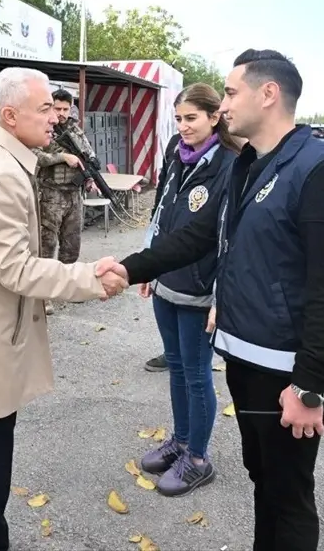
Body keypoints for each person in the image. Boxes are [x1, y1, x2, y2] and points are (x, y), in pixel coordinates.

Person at [99, 49, 324, 551]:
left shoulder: (322, 172)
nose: (222, 103)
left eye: (231, 91)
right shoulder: (248, 165)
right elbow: (198, 236)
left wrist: (311, 386)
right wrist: (129, 267)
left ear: (269, 94)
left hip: (286, 373)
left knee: (287, 496)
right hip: (243, 358)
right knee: (262, 478)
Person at [0, 66, 128, 551]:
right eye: (44, 109)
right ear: (11, 114)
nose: (54, 119)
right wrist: (89, 278)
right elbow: (15, 269)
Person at [136, 83, 239, 497]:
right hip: (166, 284)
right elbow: (159, 212)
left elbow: (234, 236)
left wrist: (222, 294)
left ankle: (198, 459)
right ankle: (179, 442)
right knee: (176, 368)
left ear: (215, 117)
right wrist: (148, 264)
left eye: (191, 118)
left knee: (197, 377)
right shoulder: (176, 156)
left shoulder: (232, 164)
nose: (183, 126)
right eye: (178, 119)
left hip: (201, 291)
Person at [34, 89, 97, 315]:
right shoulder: (42, 127)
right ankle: (43, 296)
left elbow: (87, 154)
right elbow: (35, 156)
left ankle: (67, 288)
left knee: (72, 245)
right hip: (50, 194)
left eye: (65, 109)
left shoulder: (74, 128)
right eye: (57, 108)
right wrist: (61, 157)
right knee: (46, 246)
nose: (60, 113)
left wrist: (90, 178)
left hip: (73, 194)